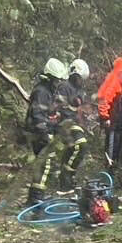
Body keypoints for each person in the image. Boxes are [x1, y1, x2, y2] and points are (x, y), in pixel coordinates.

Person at [25, 58, 68, 205]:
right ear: (49, 78)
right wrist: (45, 133)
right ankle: (35, 197)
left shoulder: (48, 92)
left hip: (43, 131)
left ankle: (37, 195)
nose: (58, 84)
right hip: (38, 133)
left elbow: (49, 114)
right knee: (45, 163)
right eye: (56, 81)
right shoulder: (41, 92)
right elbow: (37, 115)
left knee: (46, 163)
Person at [55, 58, 90, 191]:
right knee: (81, 144)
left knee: (73, 150)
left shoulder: (79, 90)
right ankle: (66, 177)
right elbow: (60, 106)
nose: (82, 82)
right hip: (64, 122)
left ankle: (67, 180)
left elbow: (80, 107)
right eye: (80, 78)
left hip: (73, 122)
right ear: (75, 75)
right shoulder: (64, 87)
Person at [97, 57, 122, 172]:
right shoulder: (113, 82)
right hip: (112, 122)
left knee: (121, 146)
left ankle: (118, 169)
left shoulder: (121, 83)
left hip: (120, 122)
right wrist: (105, 117)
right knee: (112, 147)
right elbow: (103, 99)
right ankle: (110, 170)